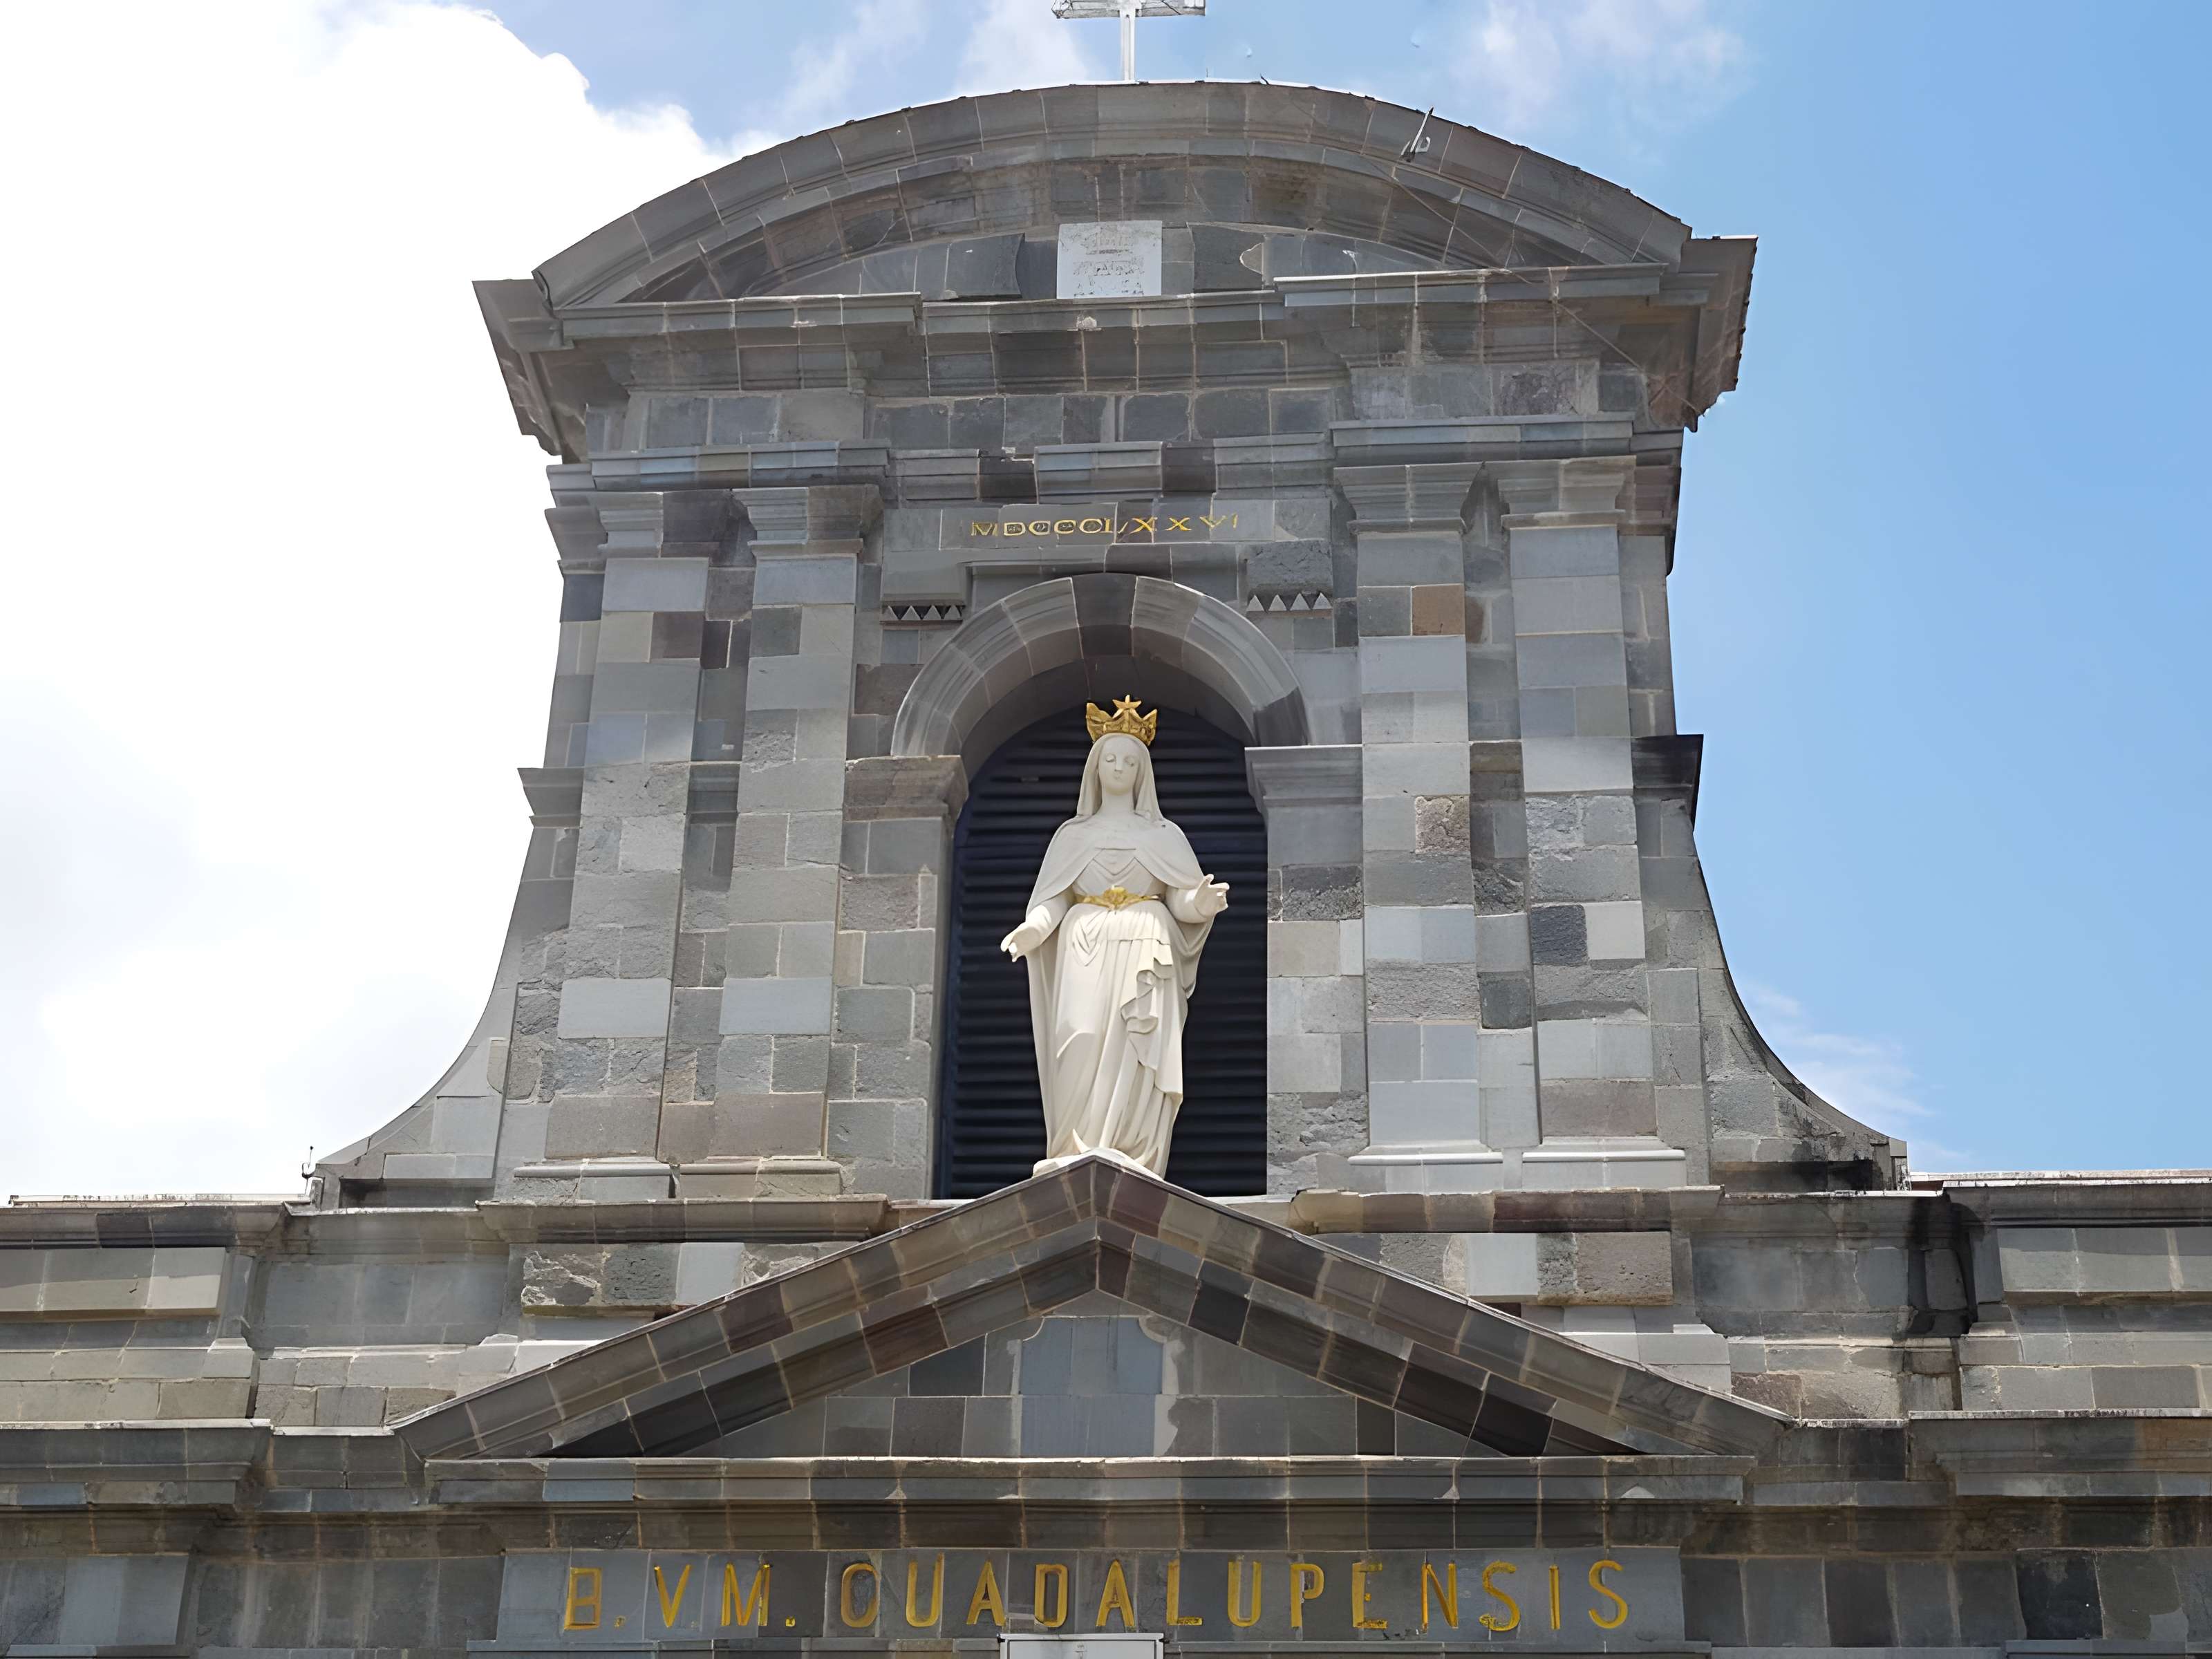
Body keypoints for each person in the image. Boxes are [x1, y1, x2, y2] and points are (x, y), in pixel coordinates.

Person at [1000, 700, 1230, 1176]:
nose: (1120, 768)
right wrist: (1034, 928)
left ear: (1143, 771)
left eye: (1130, 760)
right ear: (1095, 769)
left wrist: (1200, 904)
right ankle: (1074, 1146)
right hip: (1084, 943)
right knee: (1080, 1035)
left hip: (1147, 943)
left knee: (1135, 1047)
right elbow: (1056, 898)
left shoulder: (1164, 834)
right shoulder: (1071, 836)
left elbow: (1180, 900)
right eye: (1110, 759)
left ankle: (1133, 1150)